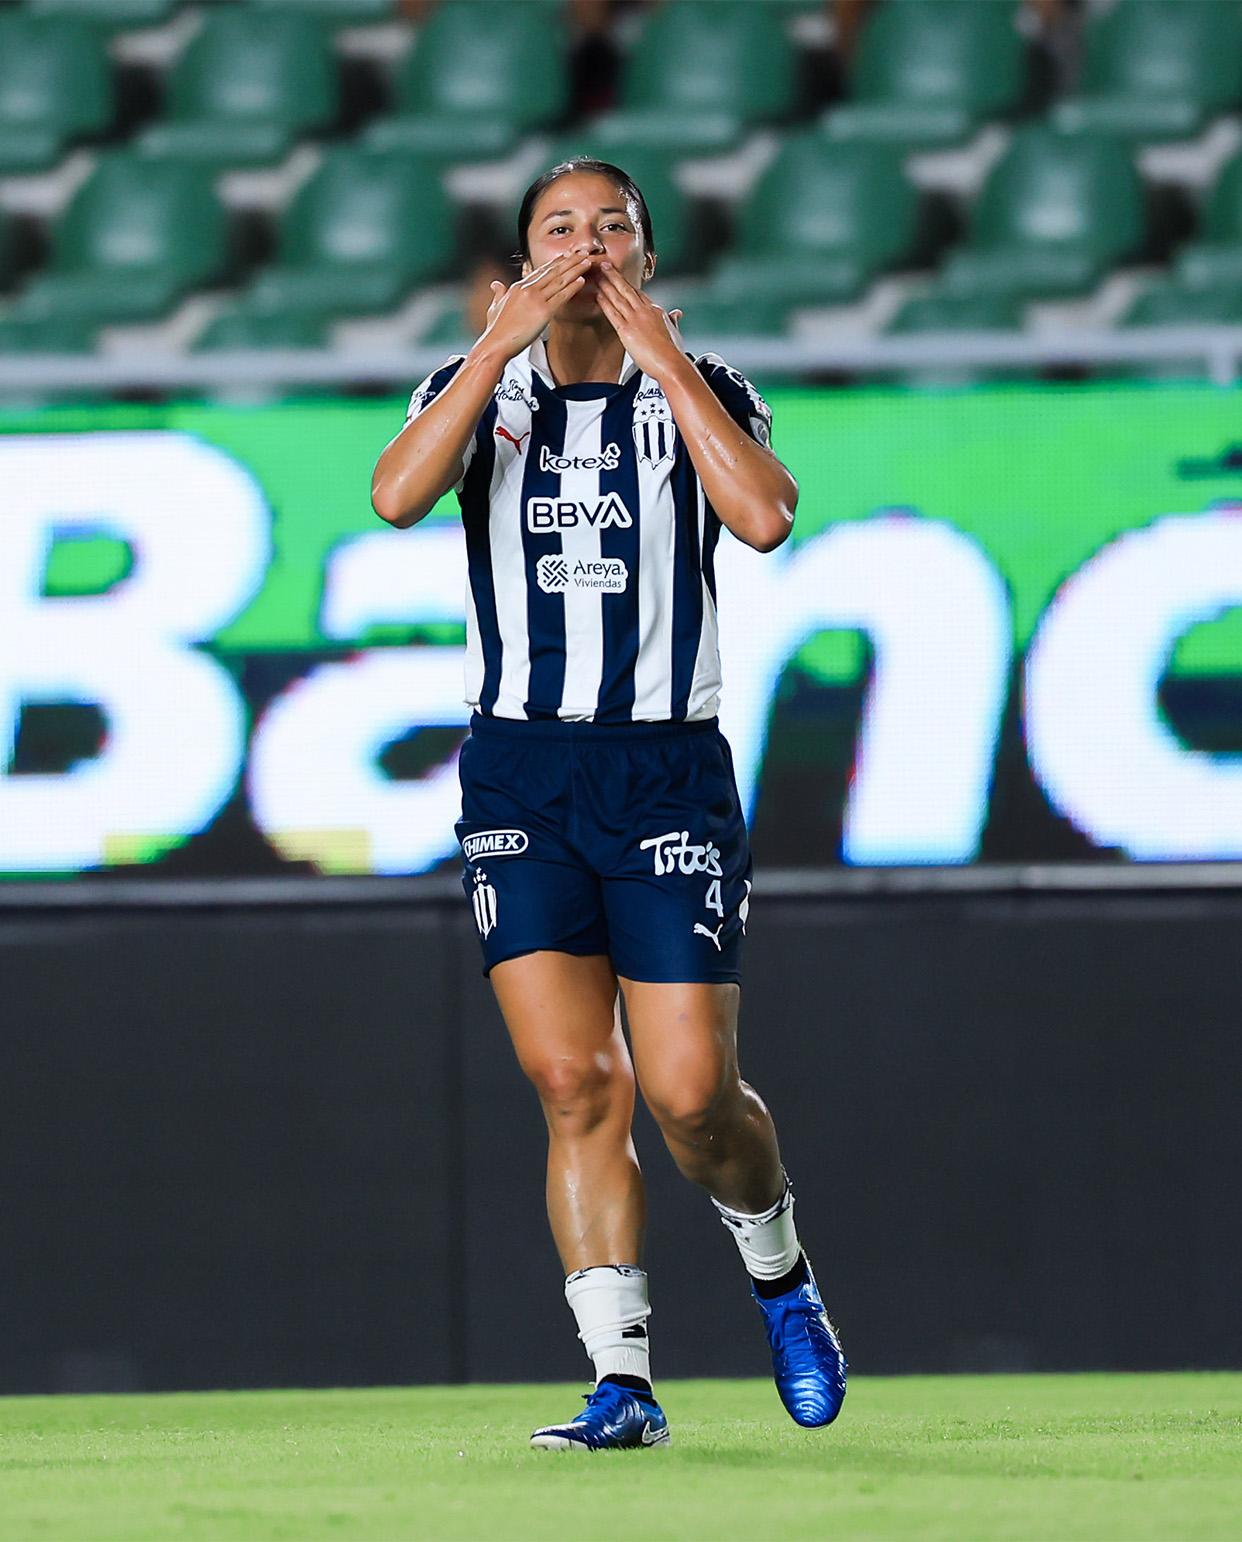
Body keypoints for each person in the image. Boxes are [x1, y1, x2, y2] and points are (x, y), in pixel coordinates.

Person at [371, 158, 846, 1452]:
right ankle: (621, 1379)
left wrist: (661, 357)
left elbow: (761, 516)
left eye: (611, 227)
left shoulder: (704, 391)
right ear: (521, 259)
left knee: (691, 1092)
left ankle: (779, 1270)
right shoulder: (481, 392)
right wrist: (493, 347)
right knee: (574, 1077)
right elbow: (396, 493)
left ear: (646, 252)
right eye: (558, 229)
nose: (586, 245)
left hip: (663, 768)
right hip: (521, 768)